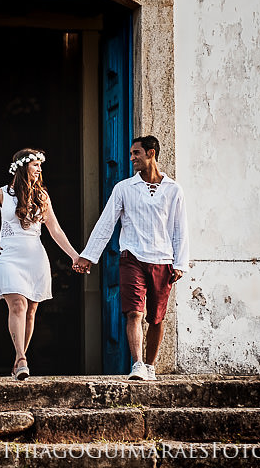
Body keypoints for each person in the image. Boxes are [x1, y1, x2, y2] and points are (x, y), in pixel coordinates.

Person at [74, 135, 188, 381]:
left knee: (156, 318)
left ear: (151, 153)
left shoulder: (173, 189)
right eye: (131, 154)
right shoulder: (124, 188)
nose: (132, 158)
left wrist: (180, 263)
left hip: (162, 259)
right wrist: (88, 256)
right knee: (133, 313)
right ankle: (137, 364)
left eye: (136, 153)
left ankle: (150, 365)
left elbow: (180, 228)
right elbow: (106, 223)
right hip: (132, 257)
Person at [0, 148, 84, 379]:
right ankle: (21, 357)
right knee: (17, 305)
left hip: (35, 256)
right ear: (23, 166)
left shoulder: (42, 196)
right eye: (36, 164)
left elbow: (54, 230)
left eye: (40, 165)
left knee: (31, 311)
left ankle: (18, 363)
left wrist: (74, 256)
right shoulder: (2, 194)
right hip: (8, 256)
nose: (39, 169)